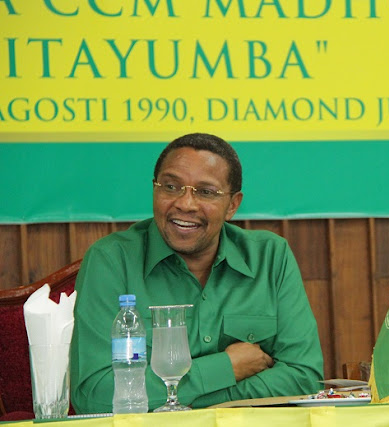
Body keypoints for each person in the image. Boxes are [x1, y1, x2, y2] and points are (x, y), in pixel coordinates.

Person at [70, 133, 324, 413]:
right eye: (171, 187)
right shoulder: (111, 260)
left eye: (206, 192)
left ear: (232, 205)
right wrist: (226, 368)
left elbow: (303, 377)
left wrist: (188, 401)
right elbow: (94, 395)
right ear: (154, 190)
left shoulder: (270, 257)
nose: (185, 203)